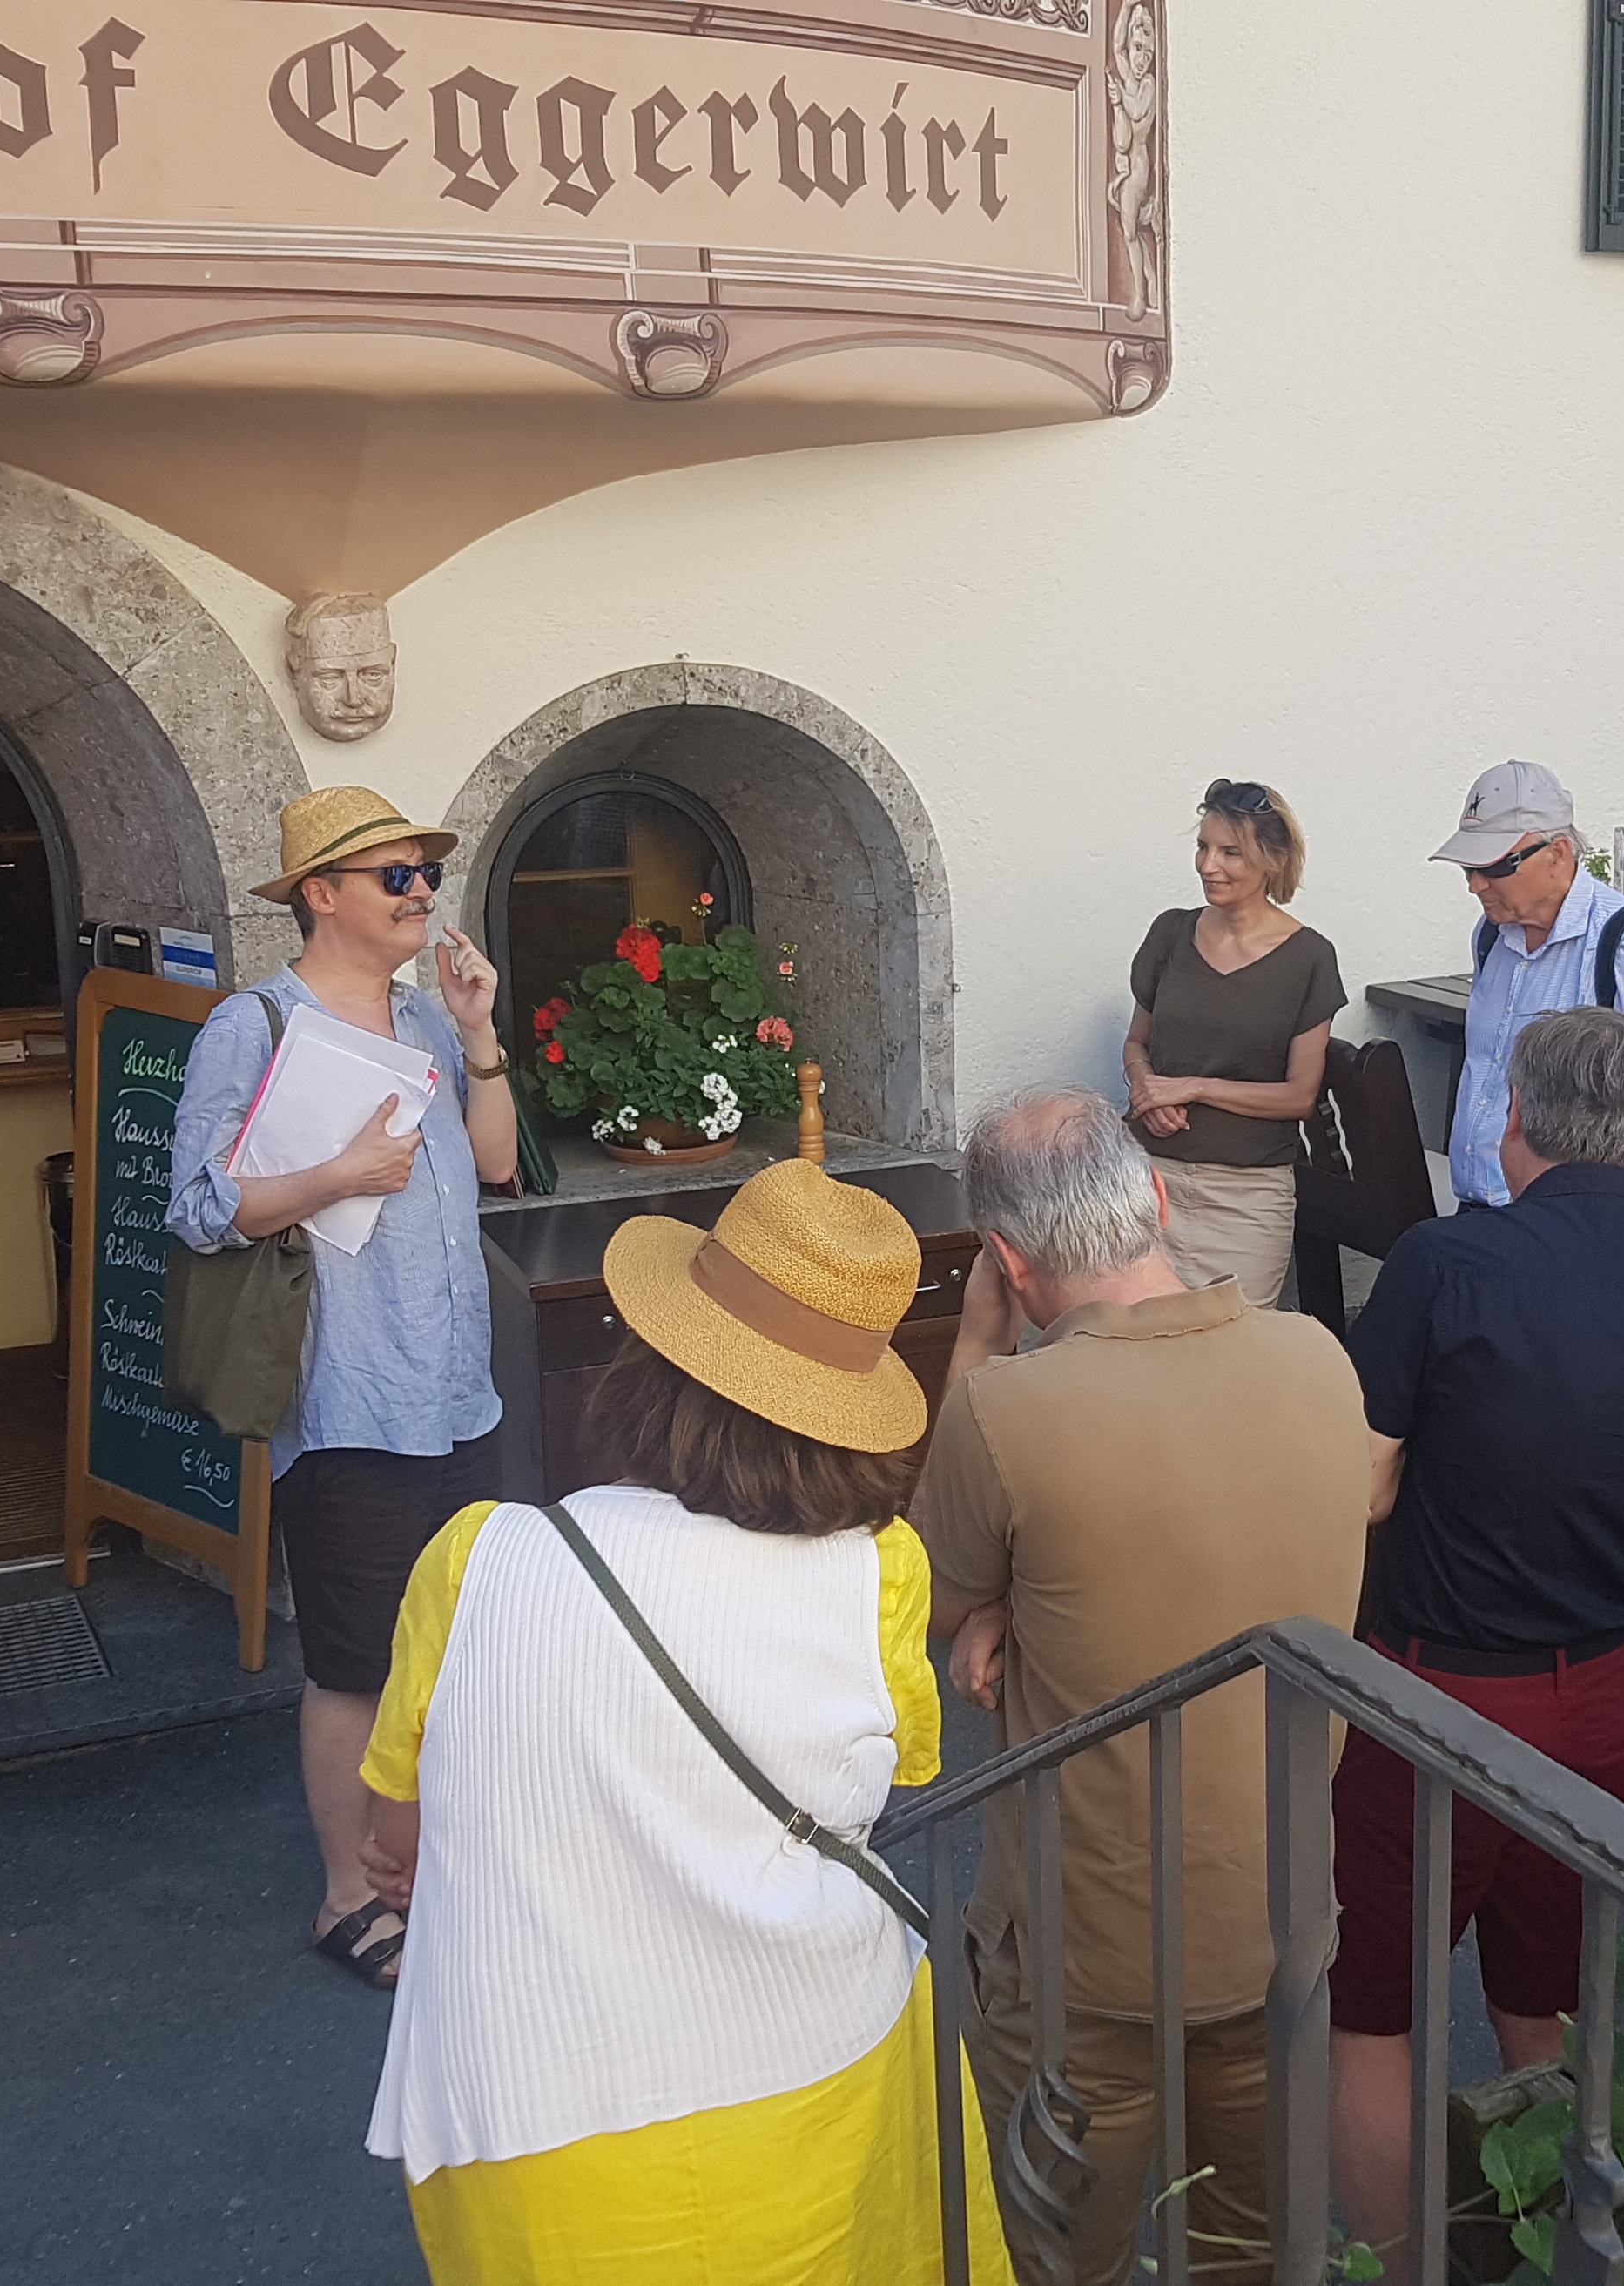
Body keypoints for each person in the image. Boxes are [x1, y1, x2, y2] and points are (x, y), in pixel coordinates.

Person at [354, 1161, 1011, 2285]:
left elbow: (394, 1841)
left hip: (525, 2114)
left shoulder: (474, 1560)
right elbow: (888, 1778)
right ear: (853, 1416)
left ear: (653, 1358)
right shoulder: (884, 1576)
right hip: (816, 2069)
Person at [912, 1087, 1369, 2286]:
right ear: (1158, 1200)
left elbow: (931, 1595)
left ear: (1007, 1261)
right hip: (1279, 1917)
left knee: (1068, 2255)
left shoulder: (1009, 1411)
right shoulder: (1319, 1359)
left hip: (1085, 1955)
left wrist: (972, 1345)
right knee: (1255, 2252)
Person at [1327, 1008, 1624, 2260]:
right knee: (1544, 2002)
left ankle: (1405, 2262)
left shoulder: (1447, 1264)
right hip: (1612, 1693)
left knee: (1375, 2019)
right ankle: (1558, 2242)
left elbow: (1368, 1484)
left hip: (1440, 1696)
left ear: (1514, 1122)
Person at [167, 785, 516, 1988]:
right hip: (350, 1398)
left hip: (457, 1391)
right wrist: (334, 1173)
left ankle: (430, 1866)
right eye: (394, 876)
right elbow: (200, 1207)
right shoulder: (251, 1027)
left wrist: (479, 1036)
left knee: (457, 1649)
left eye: (424, 874)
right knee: (359, 1664)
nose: (421, 893)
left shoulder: (426, 1022)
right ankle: (348, 1896)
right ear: (323, 895)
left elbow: (499, 1162)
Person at [1434, 759, 1624, 1223]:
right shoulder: (1493, 934)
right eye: (1468, 868)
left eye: (1495, 865)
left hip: (1569, 1228)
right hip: (1479, 1216)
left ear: (1557, 852)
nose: (1477, 884)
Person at [1123, 778, 1345, 1307]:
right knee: (1140, 1353)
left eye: (1230, 852)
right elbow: (1137, 1044)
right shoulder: (1170, 934)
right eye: (1203, 847)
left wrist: (1193, 1088)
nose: (1207, 865)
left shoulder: (1309, 958)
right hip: (1148, 1184)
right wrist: (1146, 1091)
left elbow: (1298, 1097)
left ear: (1273, 860)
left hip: (1249, 1198)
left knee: (1237, 1360)